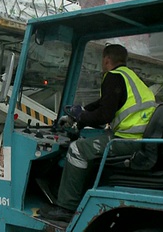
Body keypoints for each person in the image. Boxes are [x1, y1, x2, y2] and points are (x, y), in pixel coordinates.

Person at [40, 44, 156, 222]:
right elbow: (104, 102)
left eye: (102, 59)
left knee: (77, 149)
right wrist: (81, 113)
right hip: (138, 137)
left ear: (107, 60)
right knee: (91, 142)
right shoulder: (131, 77)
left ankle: (66, 207)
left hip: (127, 140)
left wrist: (81, 116)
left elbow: (104, 116)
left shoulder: (113, 77)